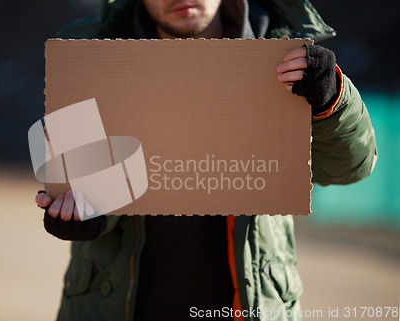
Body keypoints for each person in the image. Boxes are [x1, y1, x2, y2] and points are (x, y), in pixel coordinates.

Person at [35, 0, 377, 320]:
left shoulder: (282, 49)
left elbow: (348, 168)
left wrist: (333, 100)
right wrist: (85, 216)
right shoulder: (91, 57)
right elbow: (83, 184)